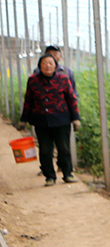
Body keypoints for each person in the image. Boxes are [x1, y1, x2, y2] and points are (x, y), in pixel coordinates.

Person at [21, 53, 81, 186]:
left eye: (50, 63)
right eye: (44, 63)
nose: (48, 66)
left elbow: (71, 99)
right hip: (41, 121)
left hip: (61, 120)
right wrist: (23, 119)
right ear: (39, 66)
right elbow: (28, 100)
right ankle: (50, 176)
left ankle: (68, 174)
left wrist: (76, 118)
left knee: (64, 149)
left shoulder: (64, 79)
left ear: (55, 66)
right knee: (45, 150)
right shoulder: (33, 80)